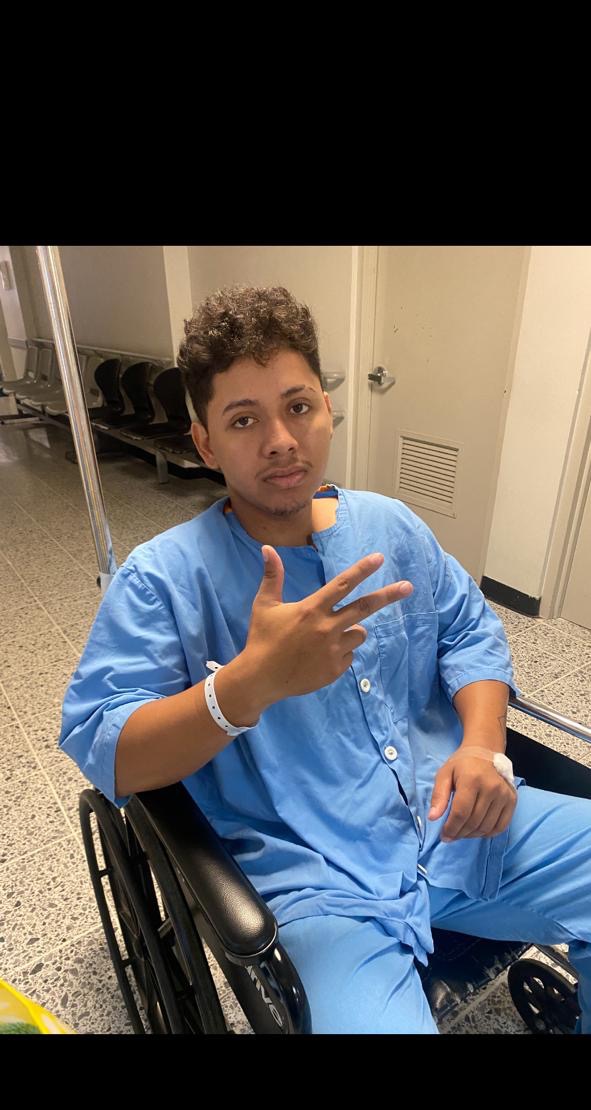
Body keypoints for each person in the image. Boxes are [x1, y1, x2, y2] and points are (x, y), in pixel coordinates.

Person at [59, 284, 591, 1034]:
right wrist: (244, 689)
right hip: (319, 882)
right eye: (244, 419)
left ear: (328, 411)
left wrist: (482, 747)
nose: (281, 439)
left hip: (455, 820)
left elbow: (469, 633)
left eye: (298, 406)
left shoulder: (389, 528)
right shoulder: (165, 580)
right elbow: (108, 748)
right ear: (205, 443)